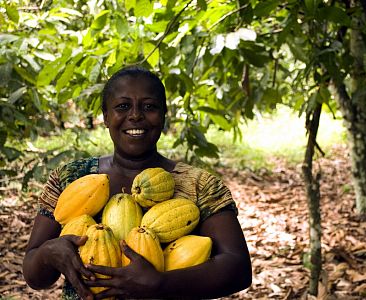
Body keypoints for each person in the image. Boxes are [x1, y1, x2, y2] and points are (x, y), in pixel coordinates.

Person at [22, 65, 252, 300]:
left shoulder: (200, 185)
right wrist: (48, 254)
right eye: (123, 106)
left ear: (163, 116)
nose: (135, 115)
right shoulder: (70, 178)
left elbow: (239, 269)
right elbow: (34, 274)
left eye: (149, 107)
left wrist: (161, 284)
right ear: (105, 117)